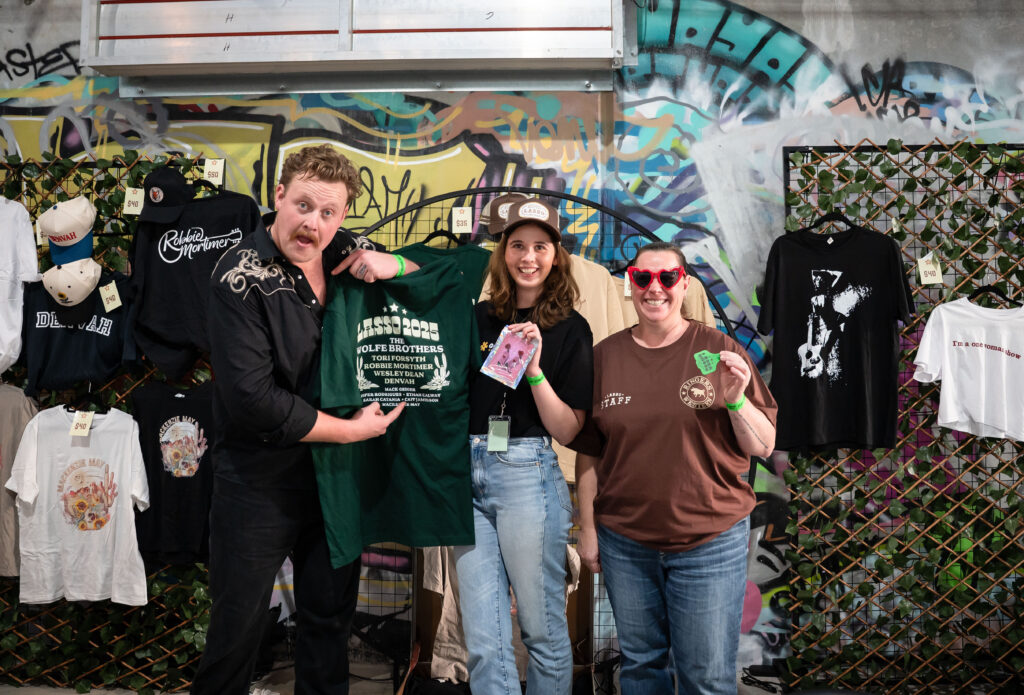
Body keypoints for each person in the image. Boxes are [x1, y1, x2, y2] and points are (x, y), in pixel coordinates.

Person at [191, 144, 417, 695]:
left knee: (328, 624)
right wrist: (353, 431)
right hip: (257, 481)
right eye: (303, 206)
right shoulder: (237, 276)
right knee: (236, 630)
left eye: (328, 213)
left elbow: (421, 274)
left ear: (342, 217)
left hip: (333, 481)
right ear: (278, 197)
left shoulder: (345, 248)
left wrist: (395, 263)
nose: (313, 224)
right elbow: (254, 400)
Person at [574, 241, 777, 695]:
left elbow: (764, 443)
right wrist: (587, 528)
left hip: (708, 539)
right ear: (631, 283)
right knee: (642, 667)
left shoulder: (718, 349)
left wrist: (736, 400)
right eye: (644, 278)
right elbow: (590, 451)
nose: (655, 288)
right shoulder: (605, 358)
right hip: (626, 543)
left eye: (667, 278)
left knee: (704, 675)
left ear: (684, 285)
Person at [455, 198, 593, 695]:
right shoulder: (477, 318)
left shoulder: (570, 329)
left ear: (555, 254)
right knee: (485, 641)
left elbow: (569, 431)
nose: (528, 256)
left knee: (542, 632)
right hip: (466, 476)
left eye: (539, 245)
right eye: (517, 245)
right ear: (502, 253)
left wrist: (533, 368)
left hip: (527, 476)